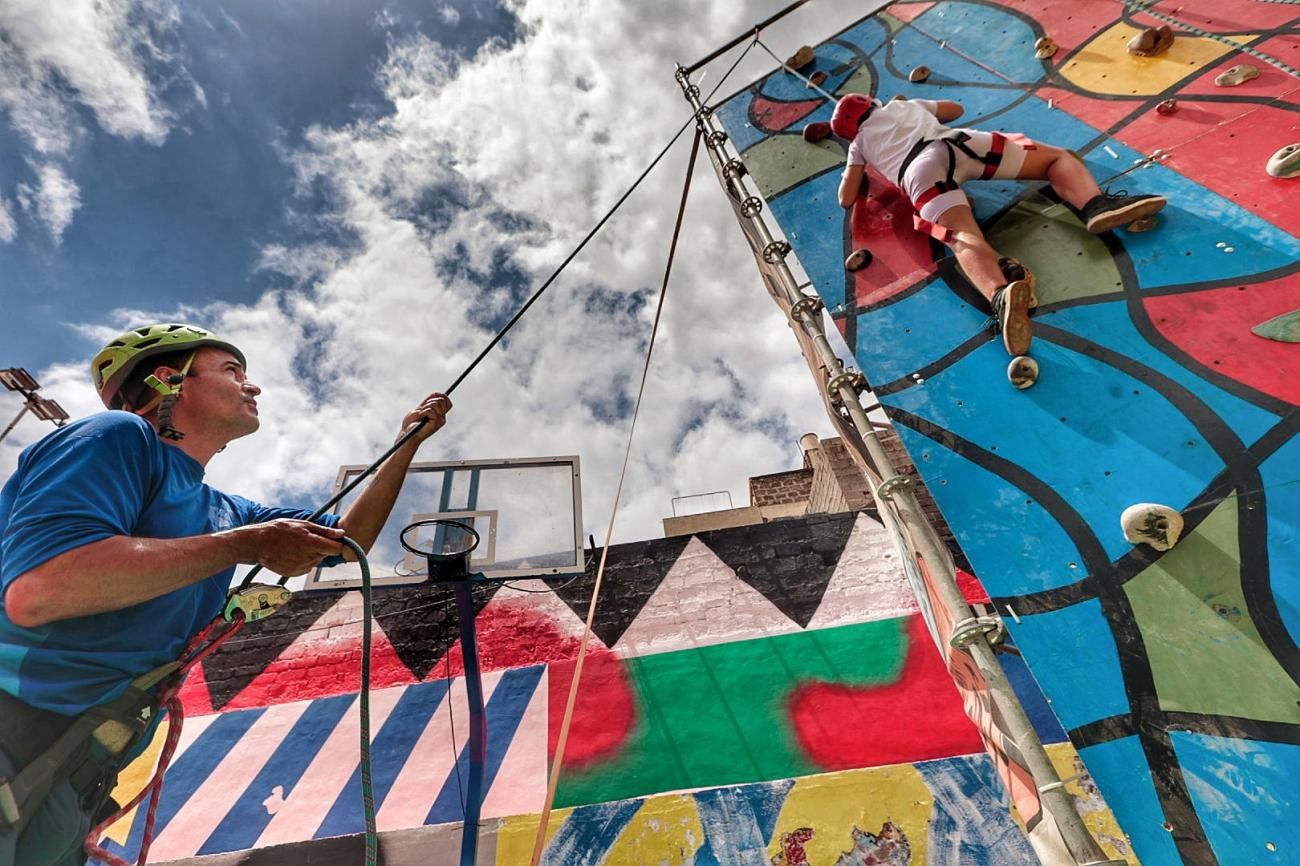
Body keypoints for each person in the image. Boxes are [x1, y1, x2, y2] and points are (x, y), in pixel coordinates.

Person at [0, 323, 452, 865]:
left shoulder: (225, 510)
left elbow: (343, 542)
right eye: (233, 372)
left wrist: (406, 445)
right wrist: (246, 545)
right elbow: (43, 589)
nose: (252, 387)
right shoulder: (117, 436)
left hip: (71, 778)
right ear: (169, 381)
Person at [832, 93, 1166, 356]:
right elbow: (954, 108)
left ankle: (1000, 295)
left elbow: (846, 198)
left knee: (961, 235)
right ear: (871, 103)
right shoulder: (902, 105)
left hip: (917, 175)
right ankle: (1096, 205)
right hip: (956, 143)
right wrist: (913, 110)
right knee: (1056, 159)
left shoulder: (859, 145)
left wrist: (859, 163)